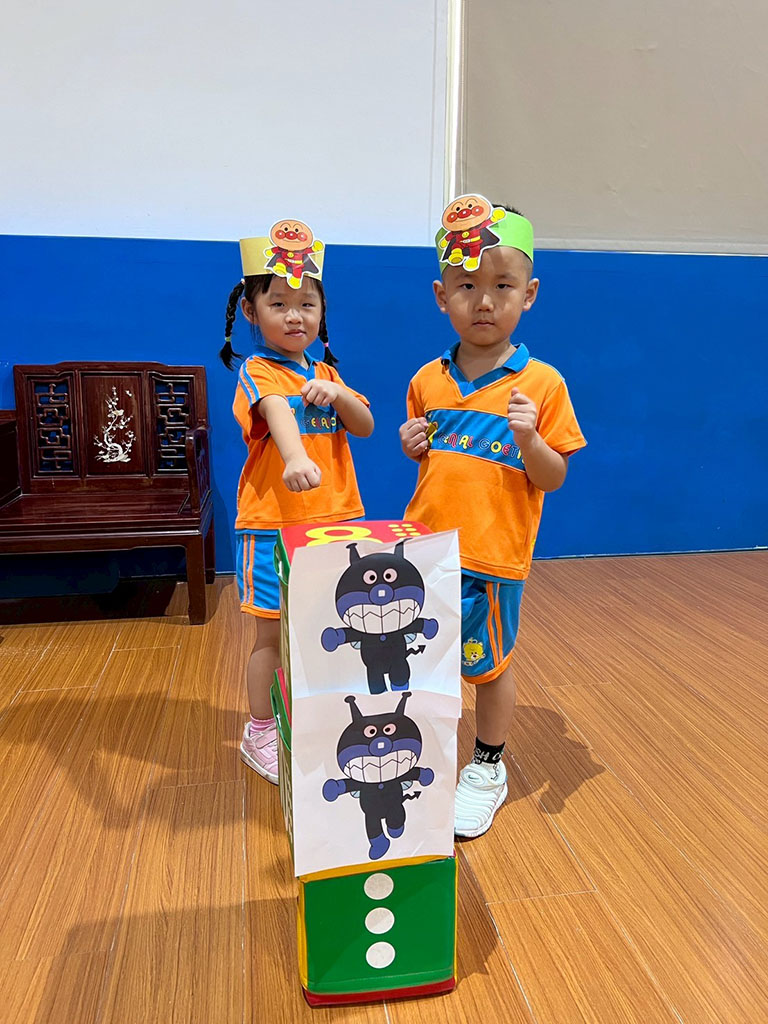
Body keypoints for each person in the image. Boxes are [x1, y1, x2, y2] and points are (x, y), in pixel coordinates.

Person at [399, 195, 586, 837]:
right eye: (466, 286)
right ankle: (423, 752)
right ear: (441, 296)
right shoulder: (427, 379)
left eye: (502, 286)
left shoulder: (543, 383)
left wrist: (531, 440)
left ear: (528, 295)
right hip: (425, 551)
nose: (484, 301)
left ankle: (487, 765)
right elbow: (434, 459)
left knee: (488, 666)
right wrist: (412, 444)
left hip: (493, 558)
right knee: (423, 660)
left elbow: (553, 476)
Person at [221, 220, 374, 783]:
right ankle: (259, 729)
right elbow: (277, 411)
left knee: (321, 626)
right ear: (251, 311)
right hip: (271, 525)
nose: (294, 316)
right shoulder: (256, 370)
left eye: (306, 304)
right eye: (279, 304)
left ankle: (309, 712)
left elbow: (364, 423)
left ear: (322, 312)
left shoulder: (327, 373)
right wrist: (293, 458)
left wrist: (340, 392)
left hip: (334, 524)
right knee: (271, 633)